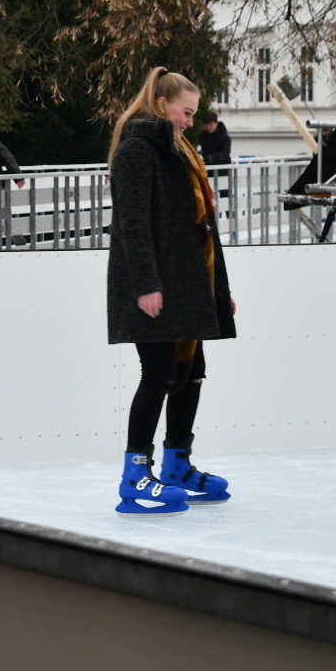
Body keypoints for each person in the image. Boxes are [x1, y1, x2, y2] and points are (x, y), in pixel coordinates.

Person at [106, 67, 237, 514]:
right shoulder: (138, 150)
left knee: (190, 373)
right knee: (159, 373)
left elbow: (204, 228)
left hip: (185, 285)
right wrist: (145, 284)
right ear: (163, 105)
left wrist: (219, 291)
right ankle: (135, 476)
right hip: (154, 285)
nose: (191, 120)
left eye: (195, 113)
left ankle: (178, 463)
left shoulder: (179, 150)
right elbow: (133, 224)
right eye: (186, 111)